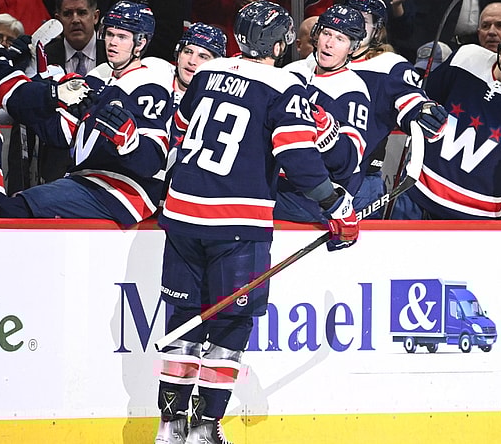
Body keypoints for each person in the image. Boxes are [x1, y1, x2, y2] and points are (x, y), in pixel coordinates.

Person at [153, 3, 359, 443]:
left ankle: (169, 428)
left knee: (184, 319)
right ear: (282, 44)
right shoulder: (286, 86)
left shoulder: (209, 71)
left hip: (182, 216)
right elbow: (298, 161)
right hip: (236, 223)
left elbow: (183, 123)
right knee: (230, 324)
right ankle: (204, 429)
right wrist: (336, 202)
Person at [0, 1, 172, 225]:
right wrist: (34, 78)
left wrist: (131, 143)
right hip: (85, 183)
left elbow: (152, 160)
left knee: (12, 209)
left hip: (122, 192)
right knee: (10, 207)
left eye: (122, 37)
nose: (112, 43)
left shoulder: (149, 84)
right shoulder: (98, 78)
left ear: (141, 43)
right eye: (109, 34)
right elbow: (59, 133)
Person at [391, 13, 501, 219]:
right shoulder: (466, 57)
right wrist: (421, 112)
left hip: (474, 218)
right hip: (414, 195)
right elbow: (423, 99)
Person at [329, 0, 448, 218]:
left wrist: (426, 112)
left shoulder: (389, 65)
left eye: (362, 21)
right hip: (310, 179)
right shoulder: (318, 60)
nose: (352, 25)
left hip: (360, 185)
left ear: (377, 31)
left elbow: (412, 101)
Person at [274, 3, 370, 221]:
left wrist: (328, 133)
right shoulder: (292, 72)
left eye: (340, 39)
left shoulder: (353, 91)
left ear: (352, 48)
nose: (329, 43)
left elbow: (349, 162)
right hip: (278, 184)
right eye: (327, 33)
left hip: (312, 200)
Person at [39, 0, 107, 183]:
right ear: (57, 20)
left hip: (104, 159)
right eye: (68, 14)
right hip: (54, 159)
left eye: (82, 13)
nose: (75, 20)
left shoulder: (114, 55)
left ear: (95, 16)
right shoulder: (43, 57)